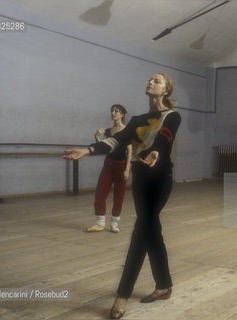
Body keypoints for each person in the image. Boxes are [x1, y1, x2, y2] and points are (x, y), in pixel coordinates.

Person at [63, 73, 181, 319]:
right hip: (140, 177)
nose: (151, 82)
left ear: (166, 91)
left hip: (160, 178)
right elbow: (117, 141)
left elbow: (164, 137)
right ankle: (164, 285)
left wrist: (155, 152)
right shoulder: (137, 120)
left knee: (141, 229)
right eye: (149, 79)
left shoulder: (172, 116)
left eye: (157, 81)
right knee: (151, 229)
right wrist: (87, 150)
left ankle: (123, 294)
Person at [87, 104, 132, 233]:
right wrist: (96, 136)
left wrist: (127, 169)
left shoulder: (126, 131)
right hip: (108, 165)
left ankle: (114, 223)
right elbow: (103, 148)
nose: (113, 113)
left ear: (122, 115)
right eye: (112, 111)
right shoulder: (107, 131)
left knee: (119, 197)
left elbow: (129, 151)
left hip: (121, 166)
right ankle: (100, 223)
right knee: (100, 194)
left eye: (116, 111)